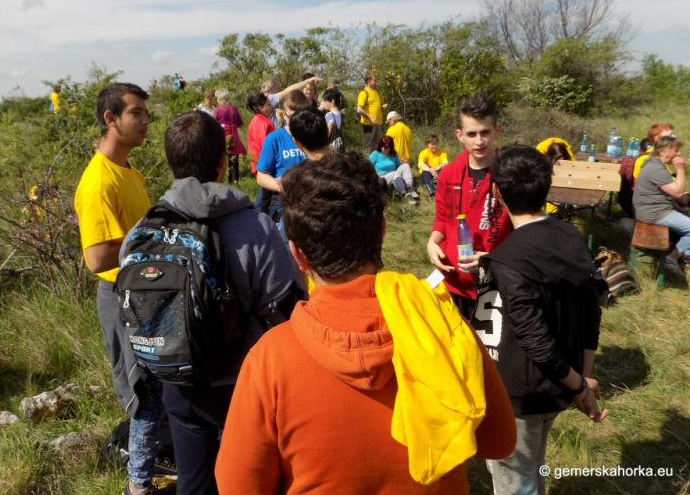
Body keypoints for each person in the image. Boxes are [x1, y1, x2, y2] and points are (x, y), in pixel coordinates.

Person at [215, 151, 517, 494]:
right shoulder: (442, 326)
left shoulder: (269, 359)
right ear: (383, 232)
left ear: (296, 253)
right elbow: (500, 441)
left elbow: (236, 486)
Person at [153, 110, 300, 495]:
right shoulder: (256, 227)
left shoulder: (146, 227)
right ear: (222, 163)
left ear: (172, 164)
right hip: (244, 380)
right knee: (257, 481)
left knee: (194, 483)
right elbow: (285, 309)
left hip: (177, 378)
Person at [471, 145, 607, 495]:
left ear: (496, 191)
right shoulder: (571, 237)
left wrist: (579, 385)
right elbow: (592, 308)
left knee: (515, 482)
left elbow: (534, 339)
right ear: (548, 187)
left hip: (519, 395)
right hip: (559, 386)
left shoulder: (506, 260)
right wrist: (582, 378)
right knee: (532, 469)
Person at [73, 83, 161, 495]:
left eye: (146, 114)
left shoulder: (129, 171)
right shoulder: (98, 183)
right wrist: (153, 242)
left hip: (144, 292)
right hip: (120, 298)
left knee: (157, 385)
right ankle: (137, 485)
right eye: (137, 114)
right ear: (111, 118)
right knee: (140, 389)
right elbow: (97, 258)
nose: (146, 121)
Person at [426, 93, 513, 319]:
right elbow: (443, 220)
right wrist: (432, 241)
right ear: (459, 135)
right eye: (471, 134)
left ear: (497, 130)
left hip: (494, 283)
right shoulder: (448, 174)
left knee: (486, 353)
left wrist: (493, 261)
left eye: (485, 132)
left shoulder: (510, 175)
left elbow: (524, 232)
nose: (479, 141)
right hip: (452, 280)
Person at [633, 135, 690, 274]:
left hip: (653, 208)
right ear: (662, 151)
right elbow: (677, 192)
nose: (679, 154)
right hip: (653, 213)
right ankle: (671, 260)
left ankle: (685, 253)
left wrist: (678, 202)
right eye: (676, 150)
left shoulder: (654, 163)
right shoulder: (656, 168)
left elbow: (663, 191)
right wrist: (681, 169)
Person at [256, 90, 310, 219]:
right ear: (284, 115)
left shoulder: (312, 136)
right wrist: (281, 186)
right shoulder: (274, 138)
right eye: (293, 116)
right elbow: (261, 175)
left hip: (309, 199)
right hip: (282, 202)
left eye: (303, 115)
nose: (298, 120)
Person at [246, 93, 276, 215]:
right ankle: (260, 219)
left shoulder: (262, 120)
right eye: (268, 105)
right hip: (264, 164)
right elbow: (265, 145)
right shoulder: (261, 122)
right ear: (260, 108)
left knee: (266, 195)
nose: (272, 107)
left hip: (262, 163)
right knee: (265, 198)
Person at [369, 136, 419, 204]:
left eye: (386, 147)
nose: (383, 148)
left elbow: (398, 167)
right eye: (381, 146)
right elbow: (368, 167)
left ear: (390, 147)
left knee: (405, 166)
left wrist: (404, 163)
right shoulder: (376, 153)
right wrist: (376, 173)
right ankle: (403, 194)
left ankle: (410, 189)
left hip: (394, 176)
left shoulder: (394, 154)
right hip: (381, 178)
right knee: (394, 174)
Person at [212, 90, 246, 184]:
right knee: (234, 160)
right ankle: (234, 179)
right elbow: (240, 124)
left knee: (220, 159)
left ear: (219, 99)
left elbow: (213, 124)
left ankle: (219, 179)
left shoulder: (217, 110)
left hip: (221, 136)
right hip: (233, 136)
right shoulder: (234, 109)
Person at [357, 72, 388, 152]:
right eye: (375, 80)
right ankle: (367, 161)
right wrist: (370, 117)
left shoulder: (378, 92)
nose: (376, 82)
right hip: (368, 123)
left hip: (378, 122)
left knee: (378, 143)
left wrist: (383, 106)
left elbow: (378, 104)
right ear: (368, 81)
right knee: (368, 144)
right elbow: (359, 109)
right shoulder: (364, 93)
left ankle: (376, 161)